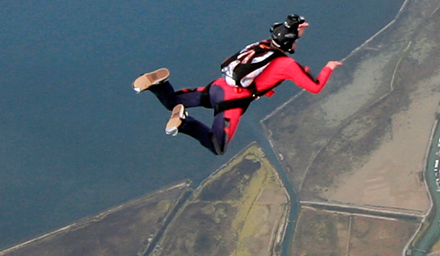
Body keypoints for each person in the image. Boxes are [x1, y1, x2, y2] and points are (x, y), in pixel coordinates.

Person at [134, 15, 338, 155]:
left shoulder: (263, 45)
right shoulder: (287, 64)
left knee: (173, 101)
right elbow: (315, 87)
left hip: (218, 87)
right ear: (289, 45)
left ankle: (159, 85)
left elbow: (282, 34)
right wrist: (328, 67)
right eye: (295, 41)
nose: (296, 44)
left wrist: (295, 25)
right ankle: (184, 122)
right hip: (231, 102)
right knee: (217, 146)